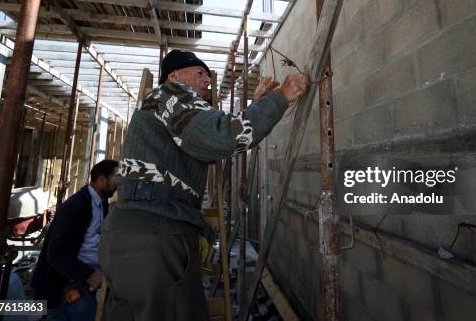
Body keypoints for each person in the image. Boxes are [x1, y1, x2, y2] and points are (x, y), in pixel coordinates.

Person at [99, 49, 308, 321]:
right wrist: (279, 99)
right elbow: (220, 137)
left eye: (208, 76)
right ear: (173, 75)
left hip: (135, 239)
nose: (207, 81)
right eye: (199, 73)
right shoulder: (171, 94)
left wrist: (256, 106)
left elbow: (210, 137)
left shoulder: (163, 107)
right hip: (154, 240)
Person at [32, 159, 119, 320]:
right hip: (64, 287)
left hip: (83, 283)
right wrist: (89, 275)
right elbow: (56, 254)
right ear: (102, 180)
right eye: (116, 178)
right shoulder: (77, 206)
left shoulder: (100, 204)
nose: (118, 184)